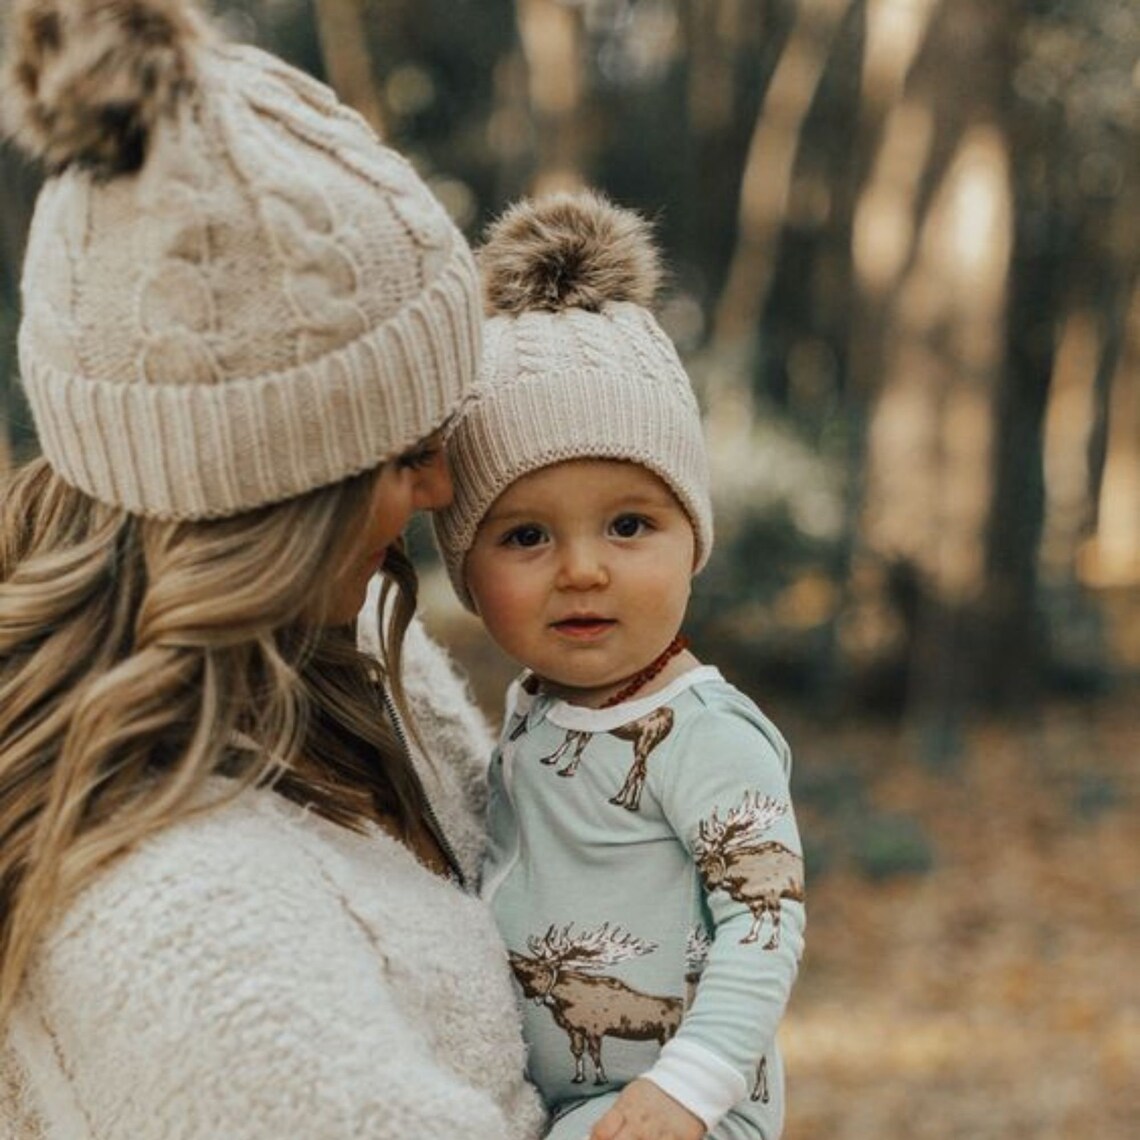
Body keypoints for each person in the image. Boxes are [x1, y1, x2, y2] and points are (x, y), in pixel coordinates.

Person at [0, 2, 546, 1137]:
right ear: (268, 504)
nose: (444, 488)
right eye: (402, 455)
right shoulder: (187, 923)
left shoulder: (346, 674)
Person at [432, 191, 807, 1140]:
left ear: (693, 540)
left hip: (681, 1113)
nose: (584, 568)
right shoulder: (532, 712)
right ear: (467, 573)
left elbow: (763, 920)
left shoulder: (706, 733)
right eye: (525, 535)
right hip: (561, 1100)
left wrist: (694, 1085)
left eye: (630, 524)